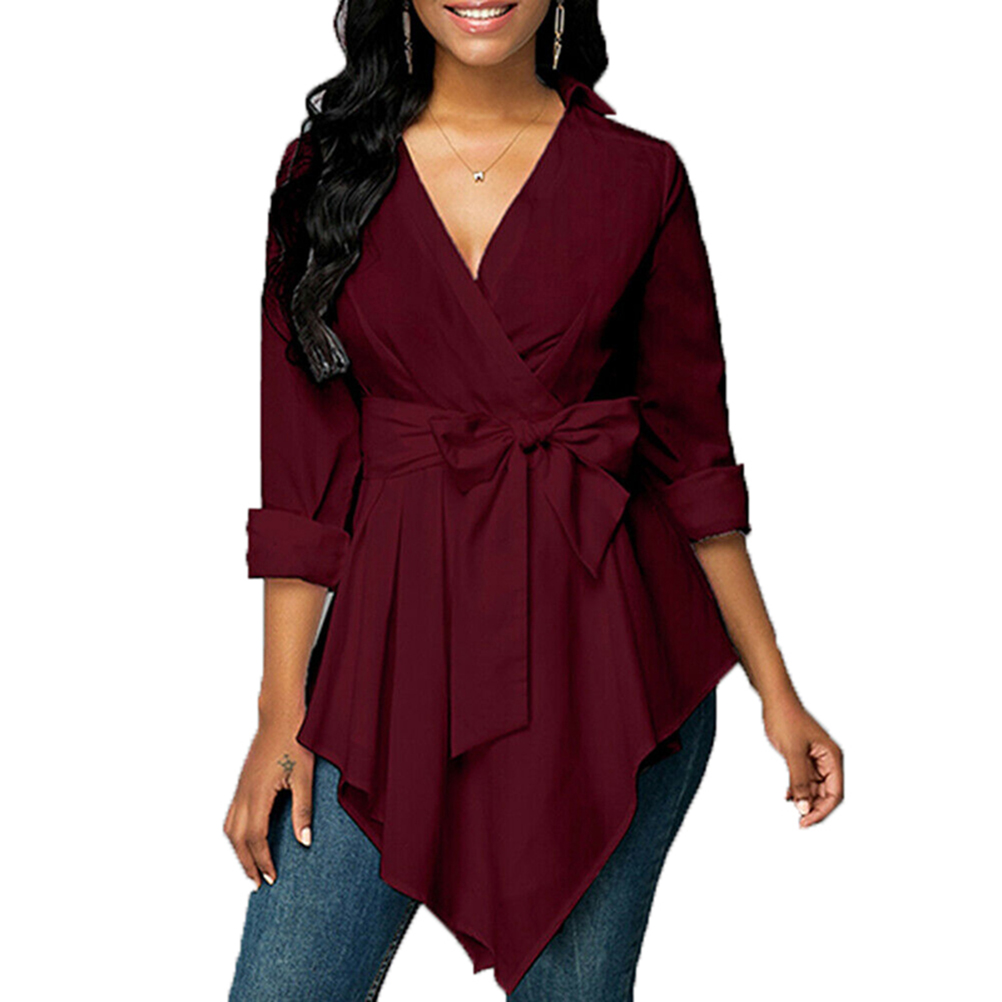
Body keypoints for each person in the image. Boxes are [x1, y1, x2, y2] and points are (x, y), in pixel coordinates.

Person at [224, 1, 845, 998]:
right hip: (393, 658)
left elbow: (694, 460)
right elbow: (304, 476)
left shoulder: (640, 177)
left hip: (606, 671)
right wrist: (280, 711)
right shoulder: (326, 176)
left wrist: (778, 691)